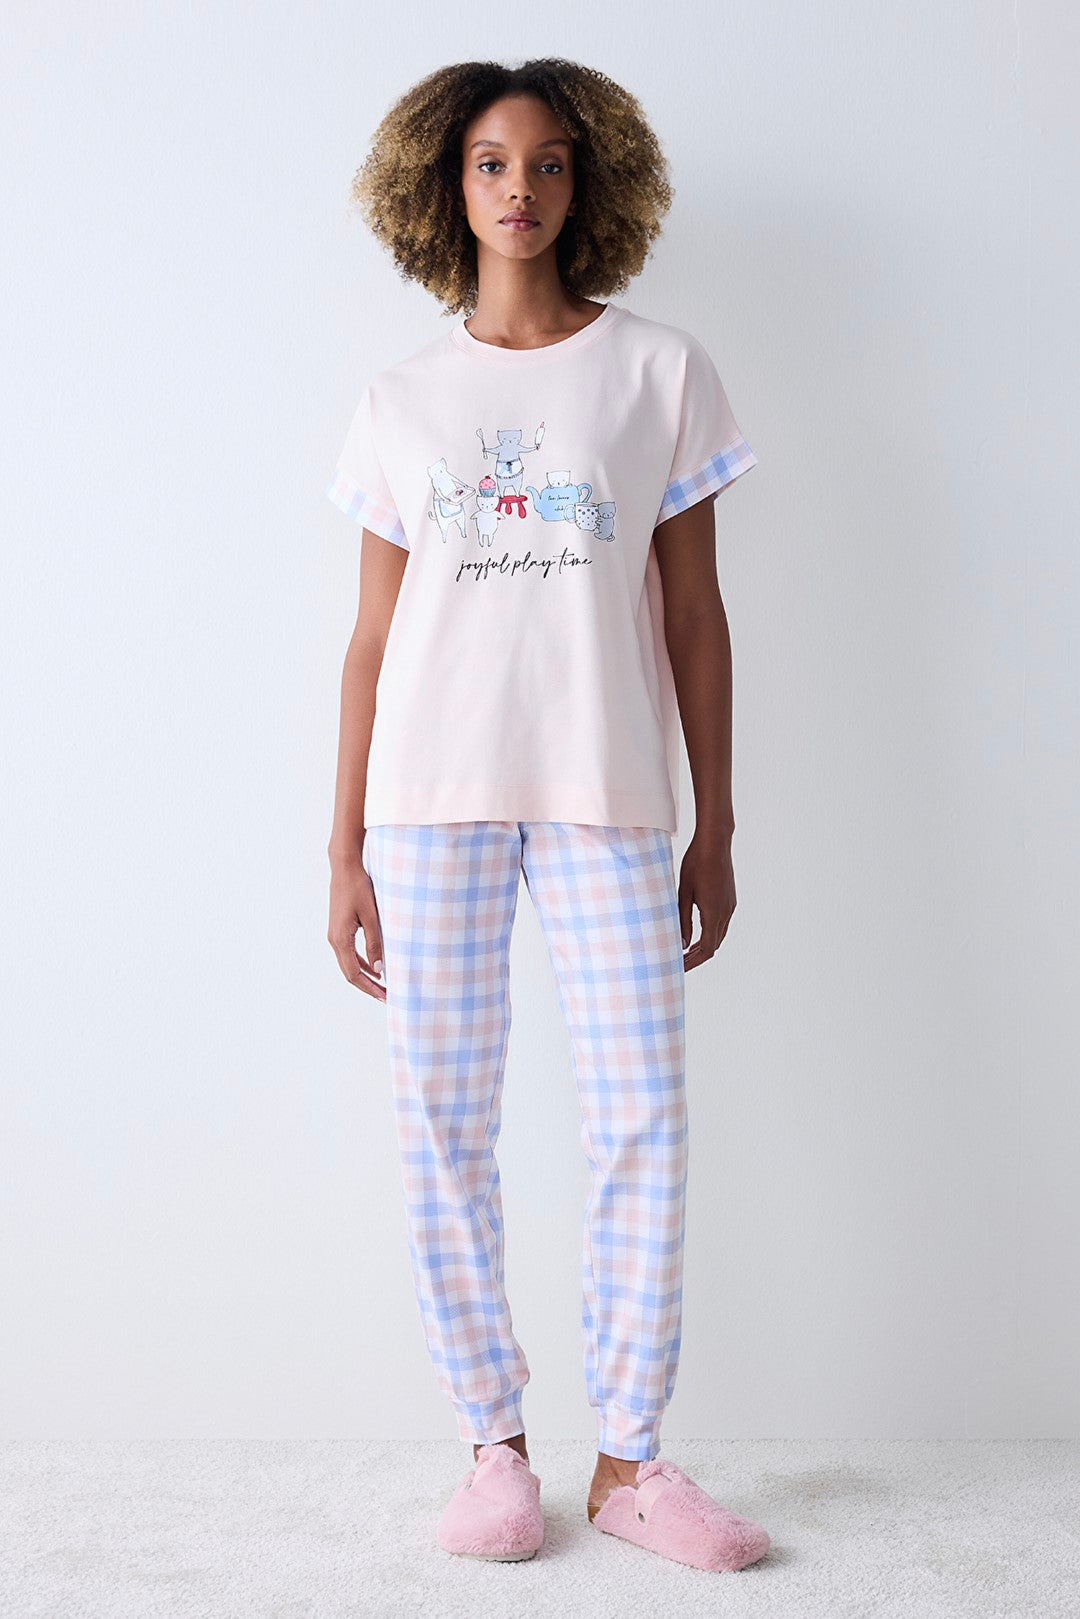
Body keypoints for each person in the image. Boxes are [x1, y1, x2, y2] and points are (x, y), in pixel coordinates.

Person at [324, 58, 771, 1573]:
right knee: (442, 1124)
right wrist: (341, 847)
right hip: (429, 799)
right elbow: (371, 641)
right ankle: (493, 1449)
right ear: (446, 186)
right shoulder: (401, 401)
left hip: (607, 791)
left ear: (592, 185)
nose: (522, 188)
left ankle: (632, 1461)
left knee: (641, 1116)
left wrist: (716, 826)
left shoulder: (661, 372)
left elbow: (696, 616)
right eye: (493, 163)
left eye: (552, 163)